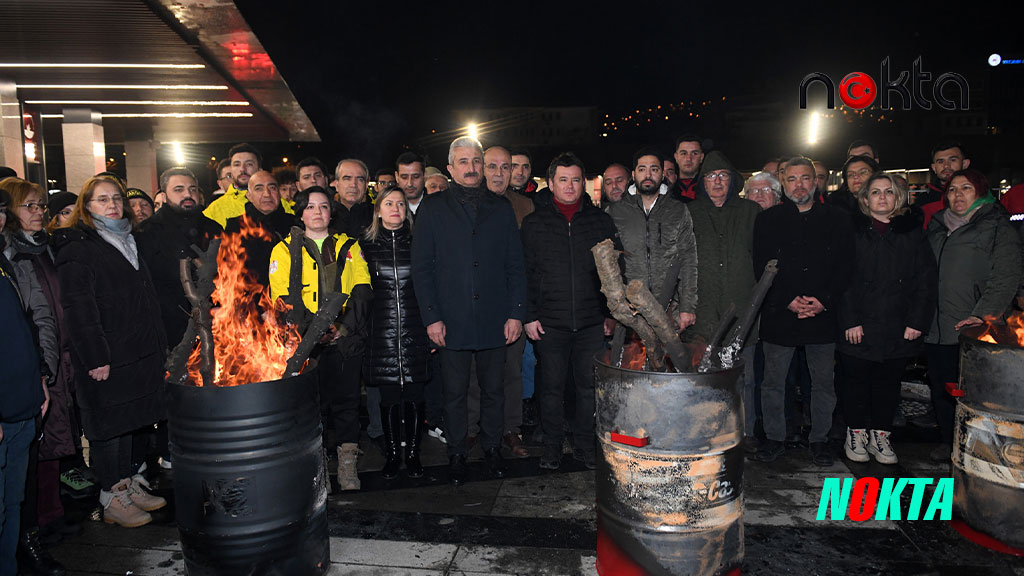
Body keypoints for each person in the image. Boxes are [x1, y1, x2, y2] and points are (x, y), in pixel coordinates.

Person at [52, 175, 167, 528]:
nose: (113, 205)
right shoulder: (79, 247)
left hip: (137, 353)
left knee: (131, 422)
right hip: (108, 356)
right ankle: (112, 495)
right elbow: (79, 308)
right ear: (86, 207)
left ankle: (128, 484)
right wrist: (96, 356)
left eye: (116, 198)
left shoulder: (127, 239)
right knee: (108, 427)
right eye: (102, 200)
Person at [411, 136, 526, 486]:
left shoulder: (501, 208)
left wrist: (516, 313)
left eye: (476, 161)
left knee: (494, 390)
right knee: (455, 393)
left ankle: (492, 449)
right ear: (450, 168)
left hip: (495, 317)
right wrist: (431, 317)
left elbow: (515, 266)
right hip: (451, 319)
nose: (472, 168)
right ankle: (457, 452)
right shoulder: (433, 209)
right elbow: (422, 269)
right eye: (463, 162)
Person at [268, 186, 371, 490]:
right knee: (314, 407)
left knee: (347, 402)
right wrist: (313, 331)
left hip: (344, 338)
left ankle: (348, 463)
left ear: (331, 212)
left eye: (324, 207)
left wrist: (342, 327)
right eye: (311, 207)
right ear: (300, 213)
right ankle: (319, 466)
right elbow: (282, 299)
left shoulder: (349, 246)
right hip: (305, 344)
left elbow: (362, 290)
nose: (318, 213)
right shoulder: (284, 250)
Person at [753, 157, 854, 466]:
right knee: (773, 382)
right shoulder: (767, 220)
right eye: (792, 179)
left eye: (805, 178)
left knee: (823, 382)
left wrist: (823, 301)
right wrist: (787, 300)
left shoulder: (838, 219)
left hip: (822, 314)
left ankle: (820, 439)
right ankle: (774, 437)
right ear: (783, 183)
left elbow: (845, 266)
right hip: (780, 313)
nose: (799, 184)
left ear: (816, 182)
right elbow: (761, 266)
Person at [521, 152, 619, 470]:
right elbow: (524, 272)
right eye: (563, 180)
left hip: (591, 322)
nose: (570, 186)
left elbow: (615, 271)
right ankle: (551, 447)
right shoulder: (535, 223)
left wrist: (610, 314)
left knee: (588, 389)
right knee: (550, 389)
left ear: (584, 183)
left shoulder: (600, 221)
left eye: (576, 179)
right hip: (549, 322)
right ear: (550, 184)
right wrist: (529, 316)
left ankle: (584, 446)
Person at [1, 178, 79, 569]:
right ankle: (29, 536)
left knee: (44, 452)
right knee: (28, 465)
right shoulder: (14, 258)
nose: (38, 212)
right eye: (28, 206)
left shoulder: (41, 250)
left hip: (46, 368)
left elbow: (47, 314)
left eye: (40, 206)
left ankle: (42, 523)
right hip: (29, 375)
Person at [838, 173, 937, 464]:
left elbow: (926, 281)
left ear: (899, 198)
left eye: (889, 192)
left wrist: (917, 321)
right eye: (876, 192)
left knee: (888, 383)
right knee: (855, 382)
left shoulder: (913, 234)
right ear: (865, 200)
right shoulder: (852, 232)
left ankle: (881, 435)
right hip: (858, 325)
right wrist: (849, 320)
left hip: (897, 325)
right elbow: (841, 279)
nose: (883, 197)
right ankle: (855, 433)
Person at [925, 168, 1021, 461]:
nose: (958, 195)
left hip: (974, 327)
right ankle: (947, 442)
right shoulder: (938, 226)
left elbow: (1006, 277)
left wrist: (982, 316)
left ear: (980, 191)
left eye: (966, 188)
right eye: (952, 190)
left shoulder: (997, 226)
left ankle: (976, 449)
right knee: (941, 386)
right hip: (936, 325)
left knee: (974, 392)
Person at [0, 187, 54, 576]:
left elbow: (22, 329)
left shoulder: (2, 266)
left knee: (12, 502)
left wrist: (39, 381)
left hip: (23, 403)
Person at [361, 187, 432, 479]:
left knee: (415, 393)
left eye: (400, 204)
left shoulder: (420, 243)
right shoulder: (364, 245)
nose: (395, 209)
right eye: (388, 203)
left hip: (416, 328)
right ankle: (392, 455)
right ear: (378, 210)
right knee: (388, 396)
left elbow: (432, 287)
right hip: (381, 331)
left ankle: (413, 455)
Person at [480, 146, 534, 458]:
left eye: (506, 167)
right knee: (476, 370)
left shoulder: (525, 207)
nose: (499, 173)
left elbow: (529, 262)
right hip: (476, 304)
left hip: (513, 302)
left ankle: (511, 429)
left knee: (512, 370)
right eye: (492, 167)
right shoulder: (465, 203)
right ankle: (475, 429)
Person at [607, 147, 698, 331]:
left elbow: (689, 260)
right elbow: (607, 265)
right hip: (629, 310)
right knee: (632, 359)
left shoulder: (677, 210)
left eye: (654, 169)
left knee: (667, 359)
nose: (648, 175)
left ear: (662, 174)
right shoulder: (615, 212)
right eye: (642, 169)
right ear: (633, 174)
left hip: (669, 308)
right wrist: (612, 309)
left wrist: (687, 307)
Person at [222, 170, 293, 289]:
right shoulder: (235, 226)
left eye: (272, 188)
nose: (267, 194)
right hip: (250, 299)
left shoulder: (294, 225)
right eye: (259, 189)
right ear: (249, 196)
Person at [203, 143, 263, 228]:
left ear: (260, 170)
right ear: (231, 170)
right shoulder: (215, 209)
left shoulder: (277, 202)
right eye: (237, 164)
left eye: (249, 164)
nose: (242, 169)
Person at [919, 141, 970, 228]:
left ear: (965, 164)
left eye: (953, 160)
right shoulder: (923, 202)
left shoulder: (980, 195)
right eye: (940, 161)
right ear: (934, 168)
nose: (946, 166)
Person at [331, 159, 374, 238]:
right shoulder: (326, 215)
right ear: (336, 185)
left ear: (366, 185)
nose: (353, 184)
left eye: (360, 179)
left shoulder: (377, 215)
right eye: (347, 178)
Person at [672, 134, 704, 202]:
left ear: (701, 157)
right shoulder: (666, 189)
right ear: (676, 157)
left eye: (694, 153)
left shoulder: (711, 188)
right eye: (684, 153)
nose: (689, 158)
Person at [395, 152, 427, 219]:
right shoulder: (389, 210)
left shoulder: (439, 206)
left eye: (416, 176)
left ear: (425, 176)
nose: (410, 183)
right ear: (397, 177)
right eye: (404, 177)